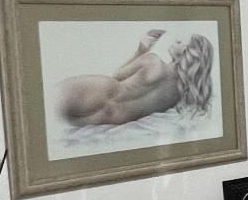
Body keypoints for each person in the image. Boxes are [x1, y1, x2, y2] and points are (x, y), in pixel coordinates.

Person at [56, 29, 214, 129]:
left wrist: (141, 51)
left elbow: (117, 75)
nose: (176, 41)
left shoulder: (153, 61)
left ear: (189, 53)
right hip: (112, 117)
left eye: (182, 42)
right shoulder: (179, 95)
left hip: (101, 90)